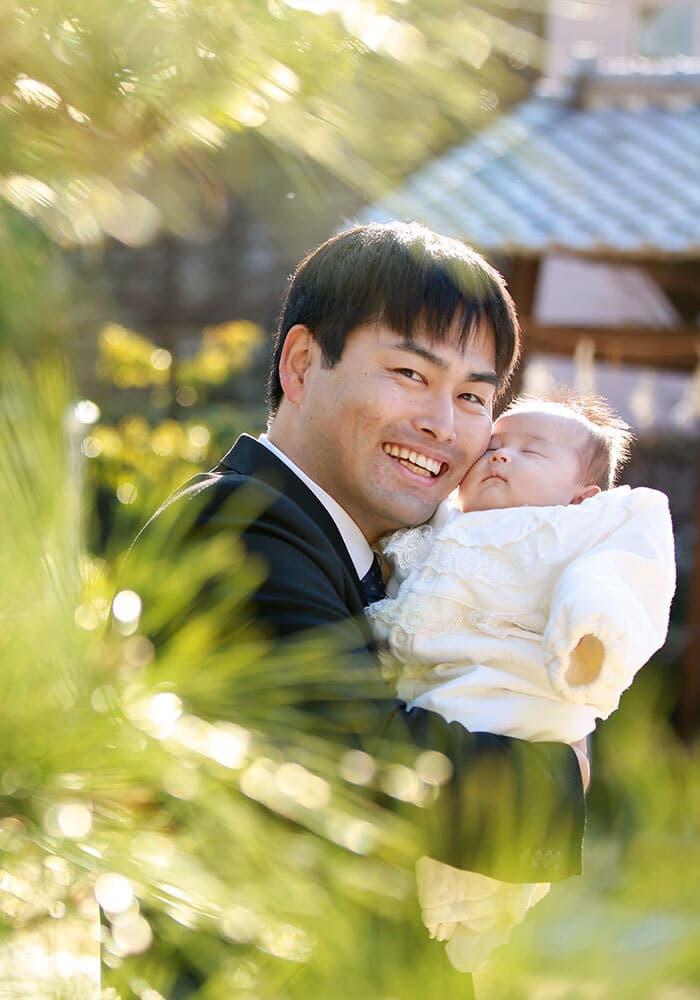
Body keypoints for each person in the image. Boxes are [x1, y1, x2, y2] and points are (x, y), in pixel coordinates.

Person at [136, 221, 589, 994]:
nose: (443, 425)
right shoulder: (242, 524)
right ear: (304, 364)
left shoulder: (369, 560)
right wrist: (562, 775)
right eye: (411, 374)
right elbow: (367, 771)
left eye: (474, 396)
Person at [368, 393, 676, 973]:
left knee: (473, 862)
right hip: (431, 686)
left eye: (529, 451)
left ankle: (474, 916)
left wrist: (590, 631)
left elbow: (617, 577)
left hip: (512, 687)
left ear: (581, 497)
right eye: (493, 446)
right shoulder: (441, 521)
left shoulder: (575, 530)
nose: (500, 457)